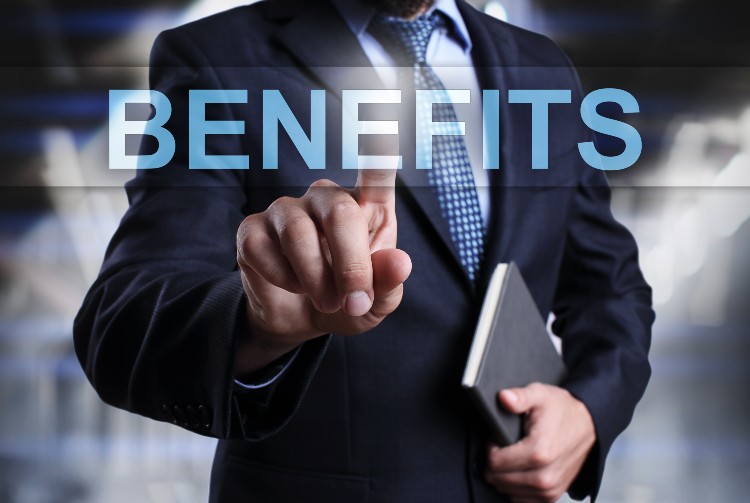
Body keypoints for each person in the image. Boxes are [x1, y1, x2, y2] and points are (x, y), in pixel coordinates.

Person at [74, 0, 654, 501]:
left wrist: (587, 411)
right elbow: (120, 322)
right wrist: (257, 324)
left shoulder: (544, 68)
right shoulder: (216, 58)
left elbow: (612, 289)